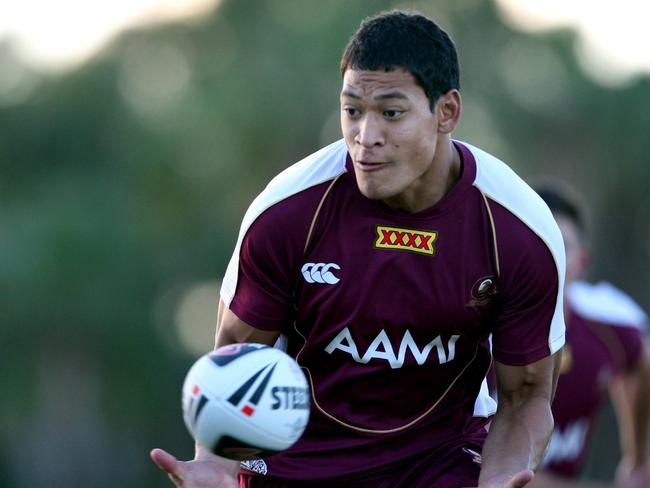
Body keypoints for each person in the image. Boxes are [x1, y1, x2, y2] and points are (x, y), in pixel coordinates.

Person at [150, 10, 567, 487]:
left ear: (447, 112)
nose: (366, 138)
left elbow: (525, 396)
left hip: (438, 464)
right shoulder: (288, 212)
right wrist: (214, 467)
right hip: (295, 464)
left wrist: (500, 479)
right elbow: (236, 362)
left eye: (391, 113)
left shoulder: (517, 230)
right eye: (353, 111)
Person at [525, 184, 650, 488]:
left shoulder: (610, 321)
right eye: (536, 242)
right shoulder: (475, 331)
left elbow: (643, 364)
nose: (548, 257)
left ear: (582, 261)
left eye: (561, 245)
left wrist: (638, 462)